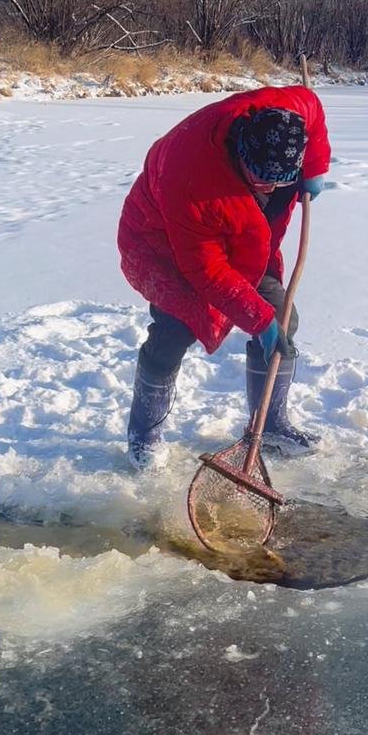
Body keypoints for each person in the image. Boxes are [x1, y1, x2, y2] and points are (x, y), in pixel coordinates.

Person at [118, 84, 331, 469]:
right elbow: (206, 269)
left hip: (246, 241)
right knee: (175, 331)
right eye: (261, 179)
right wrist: (258, 320)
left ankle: (270, 425)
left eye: (280, 181)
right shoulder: (190, 178)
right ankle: (144, 435)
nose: (270, 188)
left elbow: (312, 109)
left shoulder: (287, 113)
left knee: (284, 320)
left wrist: (314, 168)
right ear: (241, 152)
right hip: (164, 245)